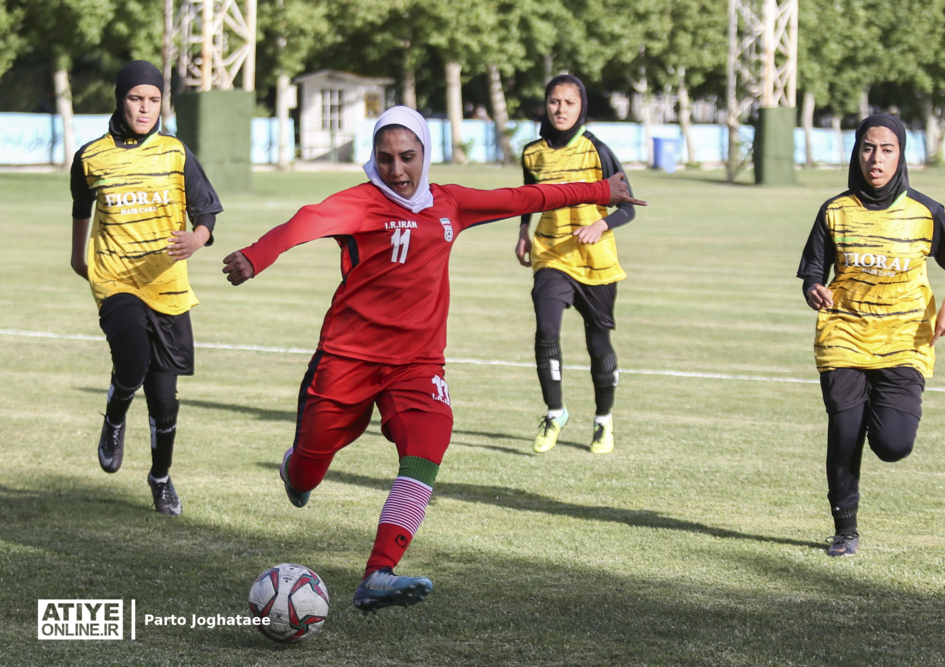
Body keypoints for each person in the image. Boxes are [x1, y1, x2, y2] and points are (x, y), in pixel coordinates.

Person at [222, 106, 644, 612]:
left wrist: (603, 191)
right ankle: (297, 472)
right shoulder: (359, 203)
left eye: (407, 157)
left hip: (417, 364)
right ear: (372, 159)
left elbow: (526, 197)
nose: (396, 170)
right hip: (346, 358)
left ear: (426, 153)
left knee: (429, 440)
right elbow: (305, 223)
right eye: (385, 159)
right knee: (309, 471)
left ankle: (378, 572)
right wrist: (255, 256)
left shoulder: (450, 204)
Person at [796, 114, 945, 557]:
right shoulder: (835, 210)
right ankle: (844, 530)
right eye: (868, 148)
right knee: (845, 432)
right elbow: (814, 267)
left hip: (904, 338)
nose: (876, 158)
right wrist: (814, 287)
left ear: (901, 155)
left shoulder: (926, 211)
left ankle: (879, 405)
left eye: (887, 149)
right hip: (844, 334)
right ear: (857, 152)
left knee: (893, 445)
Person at [70, 60, 223, 516]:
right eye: (136, 98)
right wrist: (80, 259)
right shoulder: (91, 156)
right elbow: (81, 206)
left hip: (169, 287)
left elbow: (207, 212)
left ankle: (160, 478)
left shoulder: (175, 152)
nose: (145, 108)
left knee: (164, 399)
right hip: (116, 279)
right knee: (132, 359)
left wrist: (197, 239)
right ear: (120, 99)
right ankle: (115, 415)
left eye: (154, 99)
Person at [515, 75, 636, 455]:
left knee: (597, 343)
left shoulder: (598, 150)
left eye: (569, 102)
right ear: (546, 105)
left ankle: (603, 421)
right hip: (550, 254)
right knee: (546, 330)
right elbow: (527, 199)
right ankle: (554, 412)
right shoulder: (532, 152)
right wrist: (523, 232)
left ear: (581, 106)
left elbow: (629, 206)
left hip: (595, 261)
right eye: (554, 101)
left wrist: (601, 224)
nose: (561, 109)